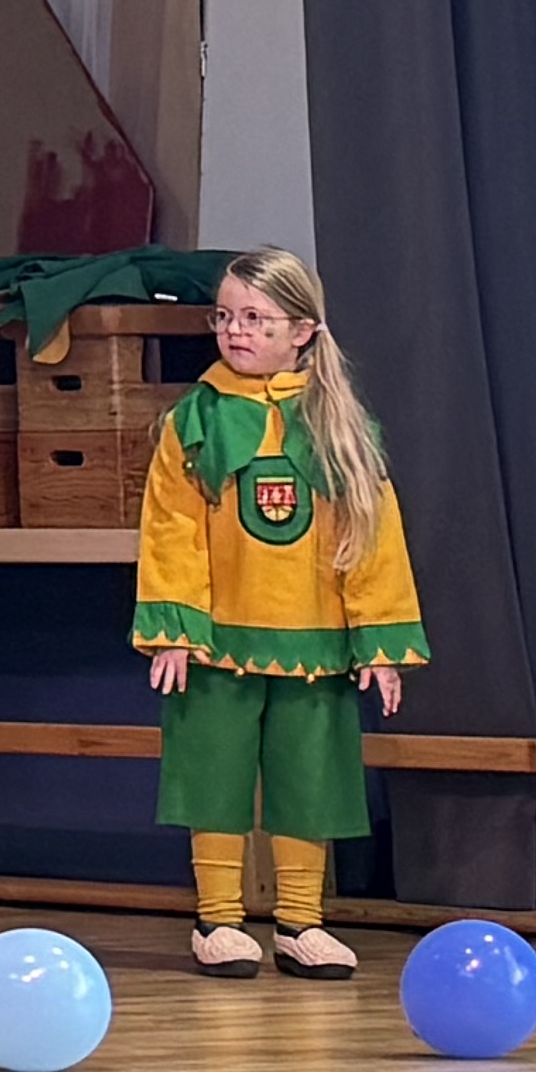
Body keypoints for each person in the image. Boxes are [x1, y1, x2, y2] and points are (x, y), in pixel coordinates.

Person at [137, 247, 424, 980]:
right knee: (214, 772)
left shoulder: (340, 426)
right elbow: (171, 526)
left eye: (255, 318)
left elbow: (372, 535)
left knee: (311, 777)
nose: (235, 330)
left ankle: (301, 922)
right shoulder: (195, 419)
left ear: (302, 331)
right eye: (224, 316)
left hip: (314, 637)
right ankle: (219, 920)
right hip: (218, 637)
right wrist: (175, 629)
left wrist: (379, 639)